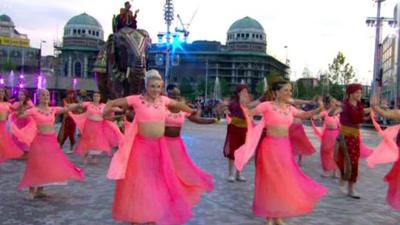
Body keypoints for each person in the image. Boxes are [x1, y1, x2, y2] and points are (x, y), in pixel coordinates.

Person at [104, 70, 195, 225]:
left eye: (158, 87)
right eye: (152, 86)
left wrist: (191, 110)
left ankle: (152, 214)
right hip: (140, 148)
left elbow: (178, 104)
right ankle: (137, 216)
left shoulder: (164, 101)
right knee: (139, 183)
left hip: (159, 148)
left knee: (156, 183)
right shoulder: (136, 100)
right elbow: (113, 103)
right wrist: (106, 112)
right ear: (146, 86)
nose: (155, 90)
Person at [235, 80, 328, 225]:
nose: (289, 93)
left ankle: (278, 215)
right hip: (269, 147)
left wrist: (319, 108)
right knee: (270, 181)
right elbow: (249, 112)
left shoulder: (290, 109)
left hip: (284, 148)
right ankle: (269, 216)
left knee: (282, 180)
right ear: (277, 92)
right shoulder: (267, 106)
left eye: (290, 90)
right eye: (286, 90)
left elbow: (304, 115)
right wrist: (243, 104)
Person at [12, 89, 84, 200]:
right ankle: (31, 190)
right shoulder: (34, 110)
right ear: (39, 97)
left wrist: (79, 104)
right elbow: (20, 116)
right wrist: (21, 106)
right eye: (43, 95)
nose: (46, 96)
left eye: (47, 95)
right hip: (39, 141)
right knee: (36, 165)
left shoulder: (53, 109)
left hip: (51, 142)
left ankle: (40, 190)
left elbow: (66, 108)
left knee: (47, 165)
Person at [164, 84, 215, 206]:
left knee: (178, 171)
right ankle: (164, 194)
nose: (175, 97)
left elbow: (196, 119)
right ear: (167, 95)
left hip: (176, 145)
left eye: (177, 94)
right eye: (172, 94)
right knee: (164, 170)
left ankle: (173, 194)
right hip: (163, 144)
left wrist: (213, 120)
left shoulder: (183, 109)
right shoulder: (162, 107)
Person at [329, 83, 370, 199]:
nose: (360, 94)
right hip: (345, 138)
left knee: (354, 163)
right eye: (357, 92)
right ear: (351, 93)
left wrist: (375, 108)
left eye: (360, 92)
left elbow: (362, 114)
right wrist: (334, 108)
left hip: (355, 138)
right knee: (345, 161)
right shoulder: (344, 106)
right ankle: (343, 176)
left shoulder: (359, 106)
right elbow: (331, 114)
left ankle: (351, 189)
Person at [69, 92, 123, 164]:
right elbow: (78, 105)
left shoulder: (104, 105)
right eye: (94, 96)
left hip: (99, 126)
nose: (96, 97)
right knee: (87, 140)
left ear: (100, 98)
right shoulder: (88, 104)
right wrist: (69, 106)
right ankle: (86, 156)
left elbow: (113, 108)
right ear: (93, 97)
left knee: (97, 142)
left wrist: (122, 109)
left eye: (97, 96)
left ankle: (94, 157)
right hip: (89, 125)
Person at [222, 84, 249, 182]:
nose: (245, 93)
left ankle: (239, 173)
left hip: (245, 130)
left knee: (242, 152)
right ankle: (231, 174)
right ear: (238, 93)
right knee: (233, 152)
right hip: (234, 129)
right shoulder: (233, 104)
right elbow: (226, 113)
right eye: (243, 92)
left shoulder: (248, 104)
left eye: (246, 92)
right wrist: (226, 111)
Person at [0, 87, 23, 163]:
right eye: (0, 92)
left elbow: (15, 111)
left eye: (2, 91)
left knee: (4, 142)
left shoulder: (8, 104)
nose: (1, 93)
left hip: (4, 125)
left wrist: (23, 104)